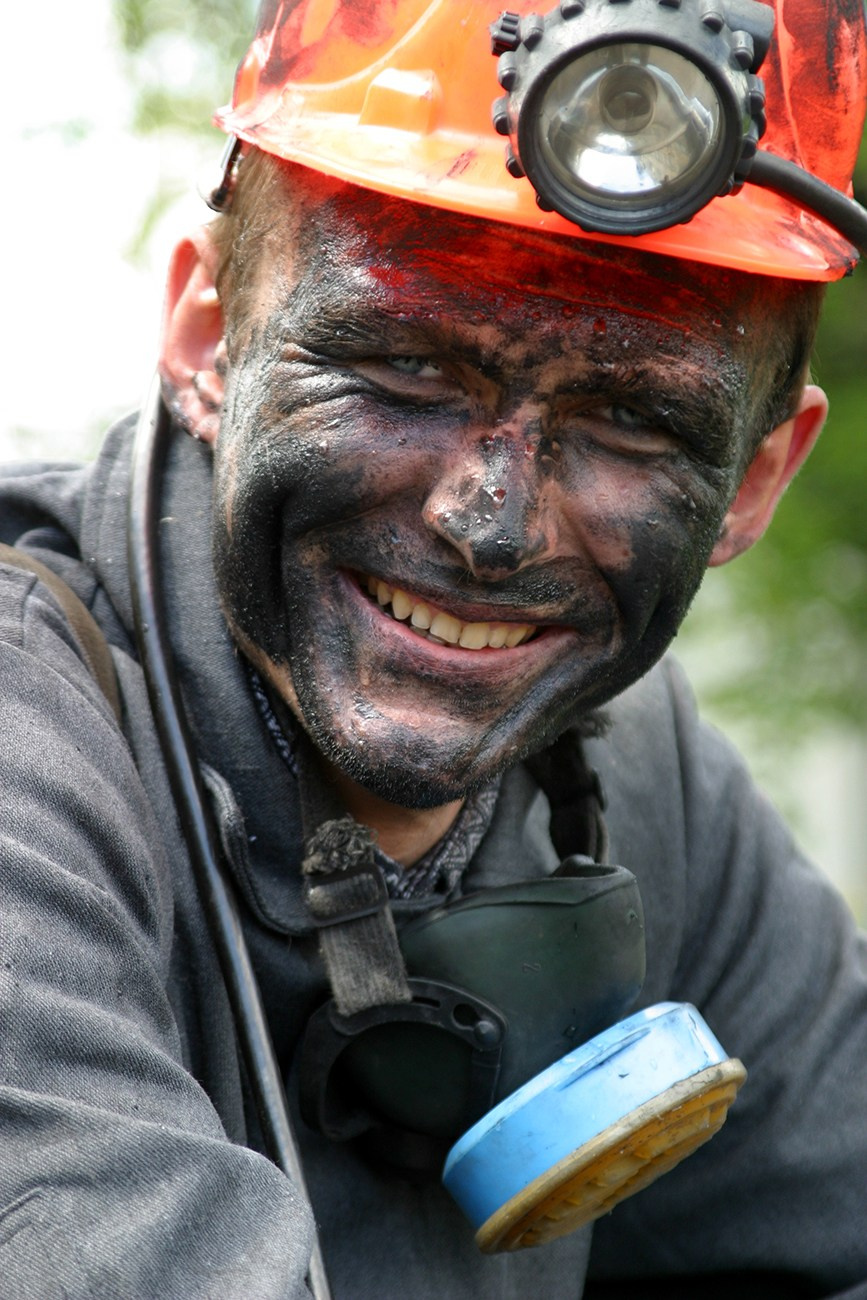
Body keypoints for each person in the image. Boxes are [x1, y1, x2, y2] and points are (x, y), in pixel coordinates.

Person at [1, 0, 866, 1296]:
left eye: (631, 421)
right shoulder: (31, 738)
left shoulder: (636, 766)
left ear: (753, 480)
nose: (490, 524)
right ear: (206, 339)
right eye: (401, 368)